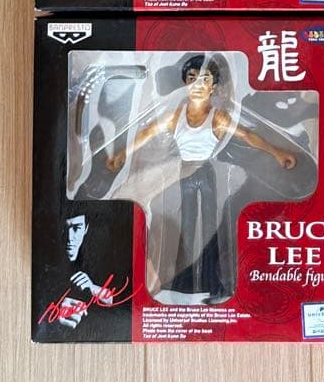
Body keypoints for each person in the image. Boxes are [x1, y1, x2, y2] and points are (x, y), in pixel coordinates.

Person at [106, 55, 297, 302]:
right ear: (185, 83)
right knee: (187, 227)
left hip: (206, 174)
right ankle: (184, 282)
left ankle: (214, 282)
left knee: (210, 227)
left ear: (213, 86)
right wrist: (123, 153)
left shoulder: (218, 117)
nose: (197, 85)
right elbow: (148, 131)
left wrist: (276, 152)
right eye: (192, 78)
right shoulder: (175, 115)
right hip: (184, 174)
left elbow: (247, 135)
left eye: (204, 79)